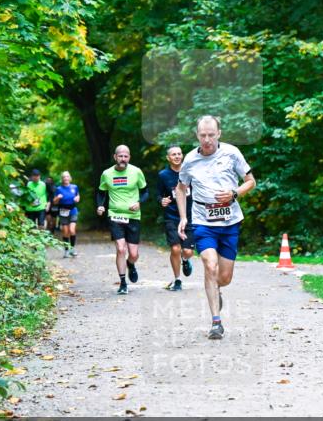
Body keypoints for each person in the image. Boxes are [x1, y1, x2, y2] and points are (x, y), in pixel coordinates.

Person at [176, 116, 255, 339]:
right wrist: (183, 217)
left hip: (229, 221)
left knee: (225, 277)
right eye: (203, 135)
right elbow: (181, 189)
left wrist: (234, 193)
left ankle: (217, 288)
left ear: (219, 133)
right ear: (197, 135)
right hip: (203, 221)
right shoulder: (190, 160)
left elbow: (251, 181)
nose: (207, 140)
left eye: (211, 135)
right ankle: (216, 323)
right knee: (209, 265)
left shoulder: (232, 153)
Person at [96, 145, 148, 295]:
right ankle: (123, 282)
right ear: (115, 157)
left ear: (129, 157)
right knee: (120, 248)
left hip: (133, 217)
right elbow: (101, 193)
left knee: (133, 254)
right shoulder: (106, 174)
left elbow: (145, 192)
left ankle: (130, 264)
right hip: (115, 215)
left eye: (126, 156)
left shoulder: (136, 172)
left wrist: (139, 203)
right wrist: (100, 205)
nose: (123, 159)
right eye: (120, 156)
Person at [156, 144, 194, 291]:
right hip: (171, 216)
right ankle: (177, 279)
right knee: (175, 249)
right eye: (174, 154)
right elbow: (158, 194)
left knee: (188, 252)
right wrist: (161, 200)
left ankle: (185, 260)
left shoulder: (190, 172)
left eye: (179, 154)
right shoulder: (163, 175)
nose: (177, 156)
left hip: (190, 216)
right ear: (168, 158)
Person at [53, 170, 80, 258]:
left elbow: (78, 196)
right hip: (63, 211)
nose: (66, 178)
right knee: (65, 231)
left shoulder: (74, 187)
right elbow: (54, 202)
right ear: (62, 179)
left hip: (73, 210)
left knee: (72, 230)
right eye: (64, 177)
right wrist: (58, 197)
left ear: (70, 178)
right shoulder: (59, 189)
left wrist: (77, 198)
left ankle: (72, 249)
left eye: (67, 176)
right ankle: (66, 250)